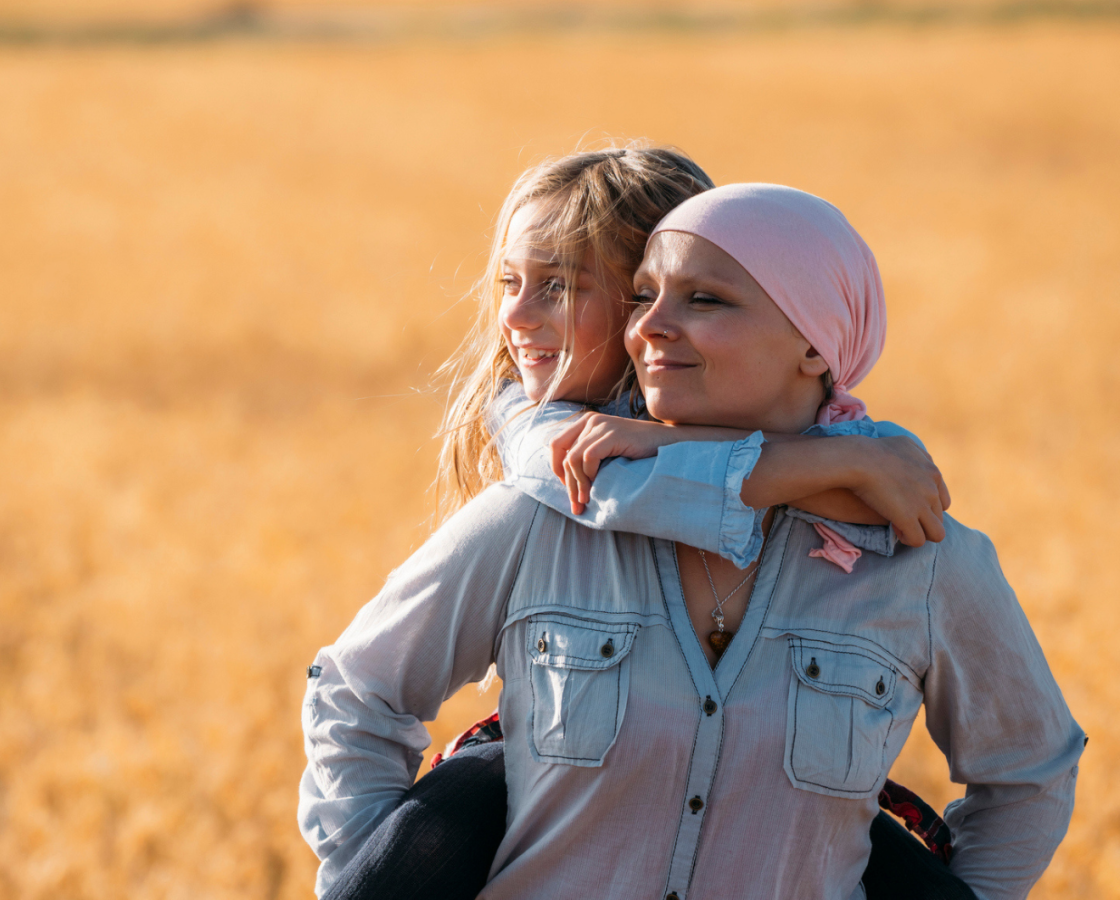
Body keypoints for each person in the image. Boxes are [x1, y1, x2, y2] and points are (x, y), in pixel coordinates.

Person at [302, 173, 1084, 899]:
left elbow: (1028, 773)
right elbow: (356, 692)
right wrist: (378, 869)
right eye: (643, 296)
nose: (650, 328)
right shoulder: (546, 514)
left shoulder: (922, 558)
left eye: (705, 299)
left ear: (816, 343)